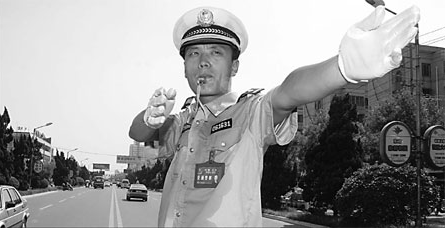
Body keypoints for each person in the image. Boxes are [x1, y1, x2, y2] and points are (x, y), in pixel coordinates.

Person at [129, 5, 420, 227]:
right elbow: (137, 134)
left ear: (234, 67)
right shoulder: (183, 119)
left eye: (216, 52)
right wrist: (149, 118)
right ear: (184, 67)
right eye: (193, 54)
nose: (203, 61)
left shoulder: (251, 112)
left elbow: (289, 93)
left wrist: (341, 67)